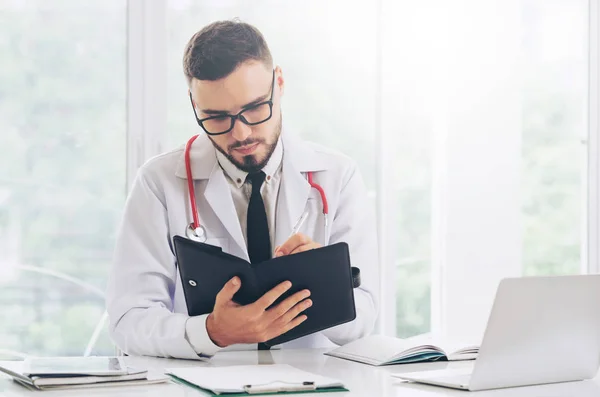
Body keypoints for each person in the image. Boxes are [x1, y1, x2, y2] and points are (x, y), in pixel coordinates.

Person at [106, 19, 378, 360]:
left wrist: (326, 283)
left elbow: (365, 316)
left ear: (279, 83)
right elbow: (128, 320)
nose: (241, 134)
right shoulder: (159, 182)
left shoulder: (337, 176)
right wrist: (211, 332)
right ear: (193, 104)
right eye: (217, 117)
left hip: (310, 384)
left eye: (253, 108)